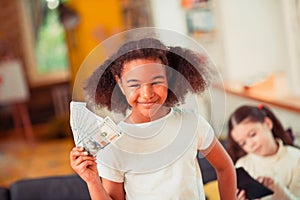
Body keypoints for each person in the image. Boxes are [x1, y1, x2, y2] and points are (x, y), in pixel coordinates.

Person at [70, 38, 236, 199]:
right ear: (120, 83)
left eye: (156, 82)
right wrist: (92, 181)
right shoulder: (112, 143)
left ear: (168, 79)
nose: (147, 94)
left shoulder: (192, 123)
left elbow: (225, 167)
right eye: (135, 85)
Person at [227, 104, 300, 200]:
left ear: (268, 123)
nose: (250, 144)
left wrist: (276, 188)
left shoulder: (296, 159)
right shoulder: (242, 165)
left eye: (252, 134)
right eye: (243, 143)